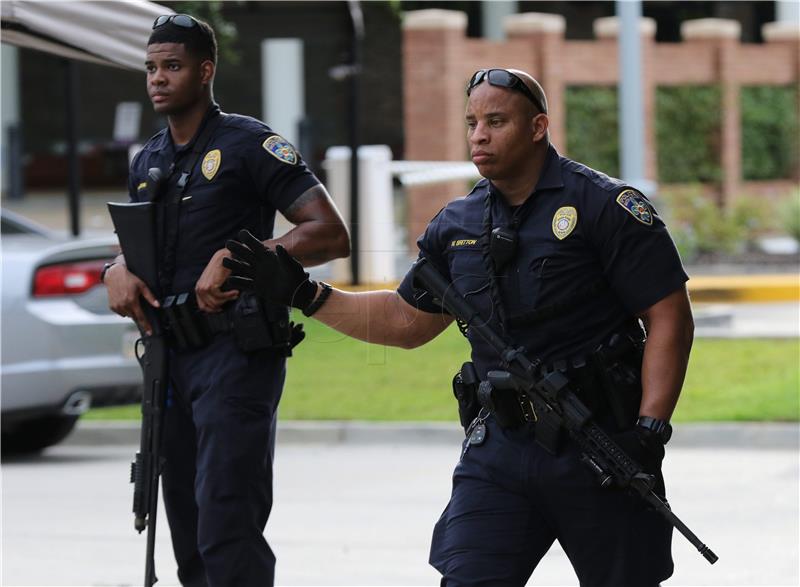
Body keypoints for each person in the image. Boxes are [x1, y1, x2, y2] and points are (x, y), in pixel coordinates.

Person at [224, 67, 694, 587]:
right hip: (501, 449)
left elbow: (668, 313)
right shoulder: (458, 224)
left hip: (599, 441)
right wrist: (305, 294)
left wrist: (650, 432)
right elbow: (406, 321)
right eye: (472, 122)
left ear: (538, 127)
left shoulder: (602, 206)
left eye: (497, 121)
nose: (479, 135)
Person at [102, 14, 349, 587]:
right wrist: (113, 268)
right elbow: (134, 248)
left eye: (173, 66)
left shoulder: (247, 143)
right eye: (151, 67)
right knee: (186, 532)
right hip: (170, 359)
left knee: (226, 522)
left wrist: (243, 258)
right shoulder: (148, 161)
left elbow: (329, 231)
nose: (158, 79)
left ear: (205, 70)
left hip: (235, 355)